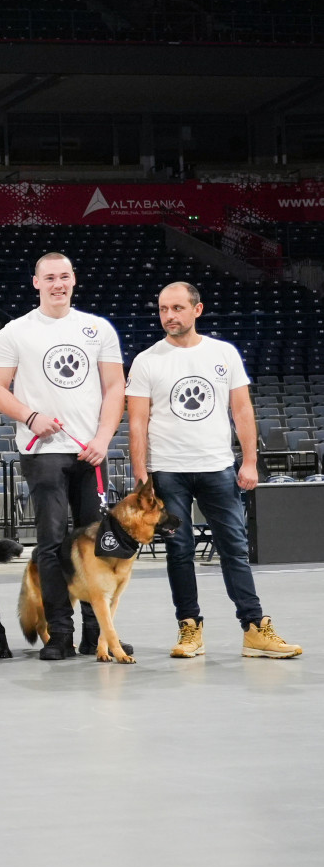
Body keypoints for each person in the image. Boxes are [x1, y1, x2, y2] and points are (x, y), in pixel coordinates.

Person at [127, 282, 301, 659]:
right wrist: (142, 480)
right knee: (179, 550)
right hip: (168, 470)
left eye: (176, 308)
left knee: (235, 549)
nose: (169, 316)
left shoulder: (224, 353)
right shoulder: (147, 360)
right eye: (162, 309)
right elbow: (137, 423)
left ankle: (254, 629)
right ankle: (190, 628)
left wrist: (250, 461)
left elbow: (241, 411)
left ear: (197, 309)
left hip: (217, 466)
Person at [0, 252, 125, 661]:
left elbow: (115, 387)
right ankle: (60, 634)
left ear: (74, 280)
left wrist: (104, 436)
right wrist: (29, 416)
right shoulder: (16, 331)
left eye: (64, 276)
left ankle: (97, 636)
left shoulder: (98, 328)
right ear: (36, 282)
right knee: (50, 545)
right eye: (50, 277)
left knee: (98, 546)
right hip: (43, 451)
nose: (58, 284)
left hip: (91, 451)